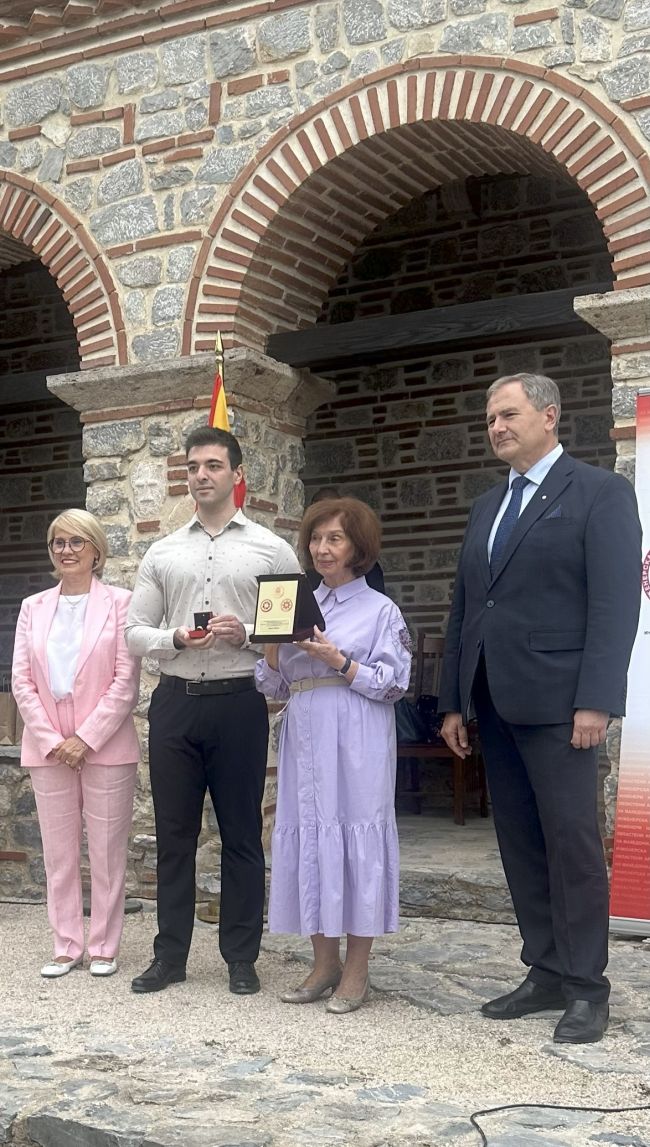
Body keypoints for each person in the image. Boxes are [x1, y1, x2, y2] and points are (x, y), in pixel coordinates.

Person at [438, 372, 642, 1045]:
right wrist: (454, 700)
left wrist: (596, 700)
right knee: (521, 843)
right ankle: (546, 970)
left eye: (508, 415)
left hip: (561, 706)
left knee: (571, 844)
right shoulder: (485, 506)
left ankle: (586, 987)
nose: (496, 427)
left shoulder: (600, 493)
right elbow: (466, 608)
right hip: (494, 701)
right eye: (490, 419)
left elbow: (616, 604)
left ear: (549, 416)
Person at [125, 427, 302, 995]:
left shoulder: (271, 549)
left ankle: (241, 958)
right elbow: (133, 632)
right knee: (173, 837)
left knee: (242, 835)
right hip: (174, 704)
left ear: (237, 474)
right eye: (193, 466)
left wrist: (244, 631)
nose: (201, 475)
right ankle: (169, 956)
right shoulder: (162, 552)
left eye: (213, 465)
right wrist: (175, 637)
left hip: (238, 703)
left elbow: (290, 626)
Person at [255, 497, 411, 1014]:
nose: (322, 548)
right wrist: (271, 650)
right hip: (304, 728)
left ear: (357, 547)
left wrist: (340, 661)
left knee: (356, 836)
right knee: (311, 836)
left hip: (357, 729)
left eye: (335, 539)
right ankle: (323, 963)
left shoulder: (380, 610)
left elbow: (396, 684)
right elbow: (272, 685)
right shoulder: (294, 603)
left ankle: (357, 969)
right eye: (316, 539)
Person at [11, 509, 141, 979]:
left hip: (105, 743)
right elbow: (21, 680)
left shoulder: (121, 603)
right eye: (58, 542)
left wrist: (85, 738)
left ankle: (103, 945)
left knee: (106, 852)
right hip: (48, 747)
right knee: (59, 854)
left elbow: (126, 681)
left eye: (76, 542)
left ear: (96, 550)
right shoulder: (33, 607)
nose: (66, 550)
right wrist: (53, 739)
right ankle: (66, 944)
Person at [305, 486, 387, 595]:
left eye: (334, 539)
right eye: (315, 538)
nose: (321, 550)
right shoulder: (307, 579)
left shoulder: (380, 604)